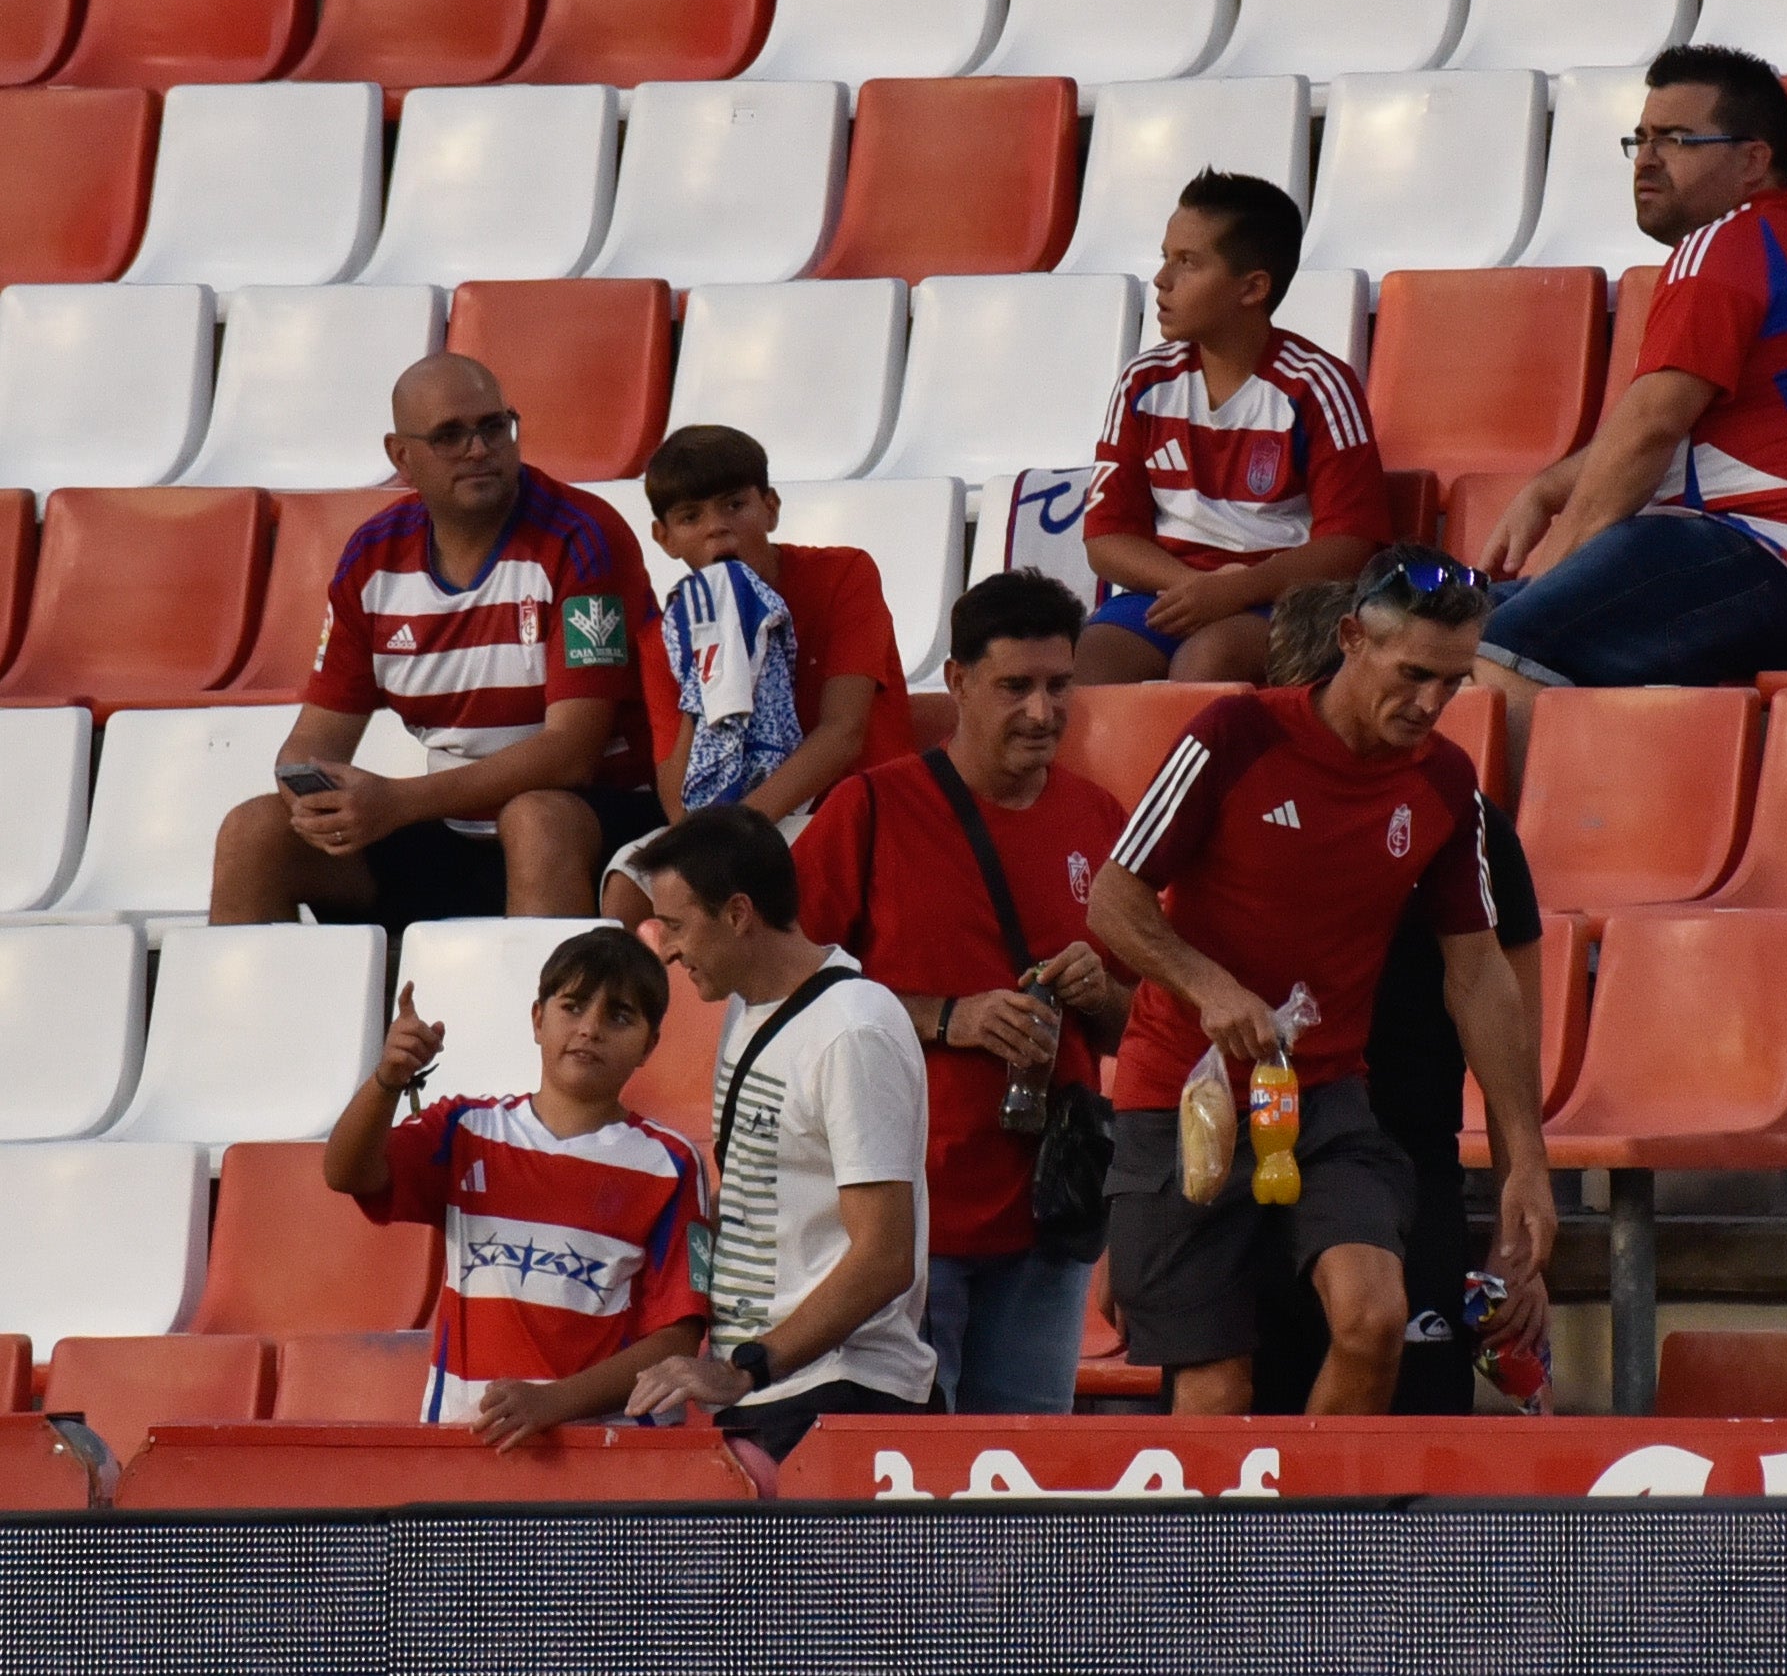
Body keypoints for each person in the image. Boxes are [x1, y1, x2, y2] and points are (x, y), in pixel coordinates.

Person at [1087, 550, 1556, 1417]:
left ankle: (1310, 1546)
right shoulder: (1231, 737)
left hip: (1329, 1096)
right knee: (1217, 1385)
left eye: (1451, 683)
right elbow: (1113, 900)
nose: (1428, 704)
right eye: (1413, 673)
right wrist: (1207, 985)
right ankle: (1224, 1555)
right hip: (1184, 1098)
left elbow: (1479, 973)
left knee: (1374, 1319)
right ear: (1351, 638)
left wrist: (1525, 1157)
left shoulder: (1445, 782)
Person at [786, 573, 1132, 1416]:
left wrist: (1101, 994)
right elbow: (785, 990)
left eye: (1060, 686)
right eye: (1016, 686)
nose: (1043, 713)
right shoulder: (868, 807)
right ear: (958, 681)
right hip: (904, 1214)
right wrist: (951, 1016)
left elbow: (1145, 1026)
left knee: (1020, 1480)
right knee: (914, 1484)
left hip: (1051, 1211)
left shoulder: (1101, 817)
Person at [1474, 46, 1787, 753]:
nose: (1646, 158)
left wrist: (1559, 568)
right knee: (1449, 637)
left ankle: (1510, 859)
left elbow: (1648, 432)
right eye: (1641, 138)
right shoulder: (1761, 242)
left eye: (1677, 139)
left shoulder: (1726, 243)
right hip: (1780, 573)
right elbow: (1677, 427)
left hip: (1772, 556)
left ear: (1753, 161)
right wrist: (1547, 488)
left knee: (1511, 644)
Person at [208, 356, 664, 929]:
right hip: (451, 833)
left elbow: (571, 753)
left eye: (494, 427)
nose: (478, 449)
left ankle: (542, 1015)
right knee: (254, 833)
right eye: (450, 435)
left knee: (535, 820)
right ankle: (242, 1023)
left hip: (597, 825)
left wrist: (397, 803)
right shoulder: (371, 557)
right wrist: (315, 797)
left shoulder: (583, 536)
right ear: (401, 456)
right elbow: (311, 744)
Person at [1241, 580, 1548, 1417]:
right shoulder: (1240, 804)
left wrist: (1518, 1212)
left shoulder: (1460, 818)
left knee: (1403, 1442)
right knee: (1238, 1424)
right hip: (1252, 1148)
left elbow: (1511, 1016)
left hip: (1409, 1162)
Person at [622, 808, 938, 1464]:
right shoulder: (745, 1004)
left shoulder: (852, 1028)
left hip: (838, 1395)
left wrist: (749, 1366)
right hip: (772, 1392)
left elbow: (884, 1255)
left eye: (677, 925)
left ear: (738, 913)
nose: (668, 948)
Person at [321, 929, 708, 1447]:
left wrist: (554, 1403)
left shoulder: (671, 1163)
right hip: (467, 1438)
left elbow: (678, 1337)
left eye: (619, 1016)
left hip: (601, 1454)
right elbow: (345, 1173)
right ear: (536, 1019)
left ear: (649, 1045)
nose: (590, 1029)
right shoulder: (466, 1130)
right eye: (572, 1006)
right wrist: (387, 1080)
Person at [1077, 171, 1388, 688]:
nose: (1161, 280)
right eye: (1164, 256)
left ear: (1253, 288)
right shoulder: (1143, 382)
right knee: (1089, 668)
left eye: (1188, 262)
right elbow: (1107, 536)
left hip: (1284, 601)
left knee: (1206, 665)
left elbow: (1351, 546)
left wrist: (1239, 590)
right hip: (1171, 593)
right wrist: (1196, 588)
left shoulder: (1318, 386)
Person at [632, 423, 912, 823]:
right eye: (691, 517)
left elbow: (844, 733)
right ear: (665, 538)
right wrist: (706, 678)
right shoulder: (665, 638)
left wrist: (740, 831)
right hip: (736, 830)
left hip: (862, 814)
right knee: (630, 882)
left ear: (771, 508)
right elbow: (678, 804)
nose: (716, 527)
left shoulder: (845, 574)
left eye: (734, 506)